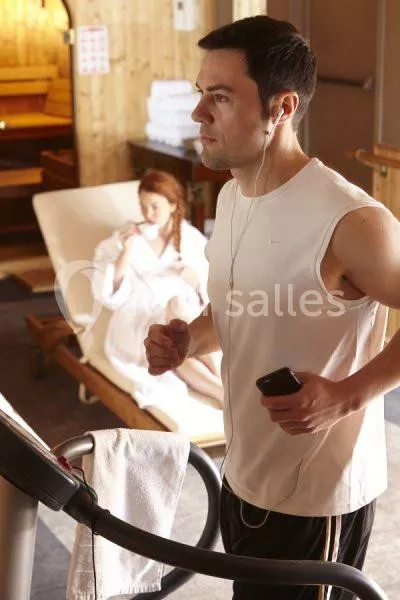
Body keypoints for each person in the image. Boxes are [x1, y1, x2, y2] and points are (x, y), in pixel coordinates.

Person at [144, 15, 400, 600]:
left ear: (282, 108)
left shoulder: (352, 221)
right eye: (200, 93)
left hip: (316, 500)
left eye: (220, 97)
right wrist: (188, 340)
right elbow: (239, 309)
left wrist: (345, 396)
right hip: (245, 473)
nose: (198, 113)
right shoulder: (234, 194)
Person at [92, 168, 222, 409]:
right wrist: (125, 253)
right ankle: (224, 391)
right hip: (137, 319)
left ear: (173, 205)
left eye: (155, 206)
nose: (147, 214)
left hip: (183, 313)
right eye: (142, 206)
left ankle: (222, 388)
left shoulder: (192, 239)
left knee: (178, 321)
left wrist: (194, 280)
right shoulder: (124, 239)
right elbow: (109, 297)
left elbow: (213, 290)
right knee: (175, 333)